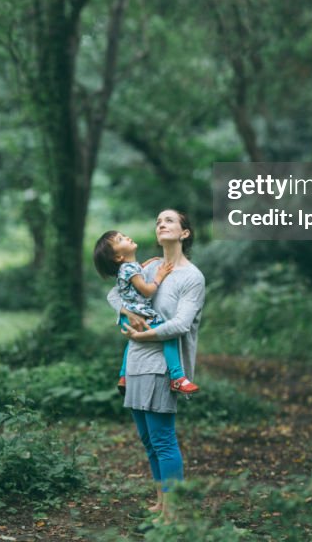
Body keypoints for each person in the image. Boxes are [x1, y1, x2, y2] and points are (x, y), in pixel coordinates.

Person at [107, 209, 205, 522]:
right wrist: (126, 312)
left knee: (163, 440)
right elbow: (114, 294)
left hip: (163, 365)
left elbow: (181, 324)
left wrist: (146, 333)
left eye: (170, 220)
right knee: (148, 441)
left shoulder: (192, 277)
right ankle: (161, 502)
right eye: (158, 221)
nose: (161, 223)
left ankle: (174, 512)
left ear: (184, 233)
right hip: (134, 362)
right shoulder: (146, 268)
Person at [92, 229, 200, 395]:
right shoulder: (129, 269)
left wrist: (143, 266)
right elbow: (147, 291)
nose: (127, 237)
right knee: (167, 335)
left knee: (132, 341)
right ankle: (177, 377)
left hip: (128, 317)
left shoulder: (129, 268)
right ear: (118, 257)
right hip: (138, 313)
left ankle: (123, 375)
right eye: (121, 239)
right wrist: (160, 275)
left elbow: (132, 277)